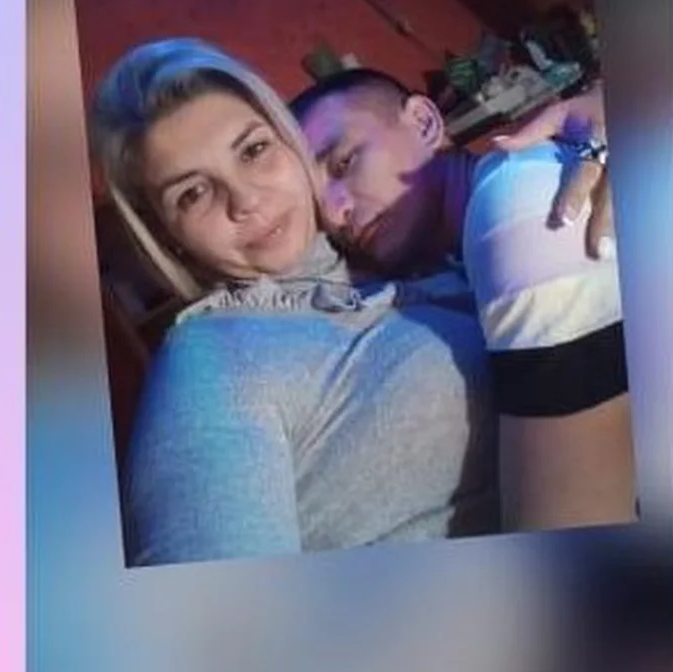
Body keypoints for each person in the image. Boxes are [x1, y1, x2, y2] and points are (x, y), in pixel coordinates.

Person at [91, 38, 499, 563]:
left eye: (253, 150)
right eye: (192, 193)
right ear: (170, 238)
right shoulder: (213, 360)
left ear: (291, 145)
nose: (246, 200)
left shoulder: (394, 252)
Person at [291, 69, 634, 532]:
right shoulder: (459, 251)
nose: (336, 214)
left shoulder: (520, 217)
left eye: (344, 162)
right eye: (318, 209)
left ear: (425, 123)